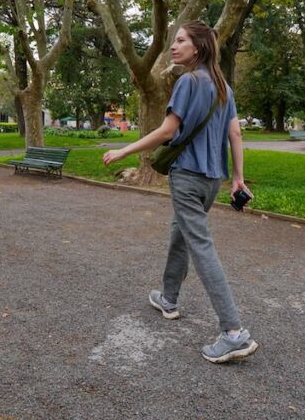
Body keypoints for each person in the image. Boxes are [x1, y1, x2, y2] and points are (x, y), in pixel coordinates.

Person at [102, 20, 258, 364]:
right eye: (173, 40)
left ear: (198, 47)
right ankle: (168, 299)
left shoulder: (188, 82)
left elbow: (167, 131)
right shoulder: (224, 89)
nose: (174, 47)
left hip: (187, 176)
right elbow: (236, 135)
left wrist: (124, 151)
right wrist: (238, 178)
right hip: (211, 181)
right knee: (181, 233)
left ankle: (233, 332)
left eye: (182, 41)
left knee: (200, 246)